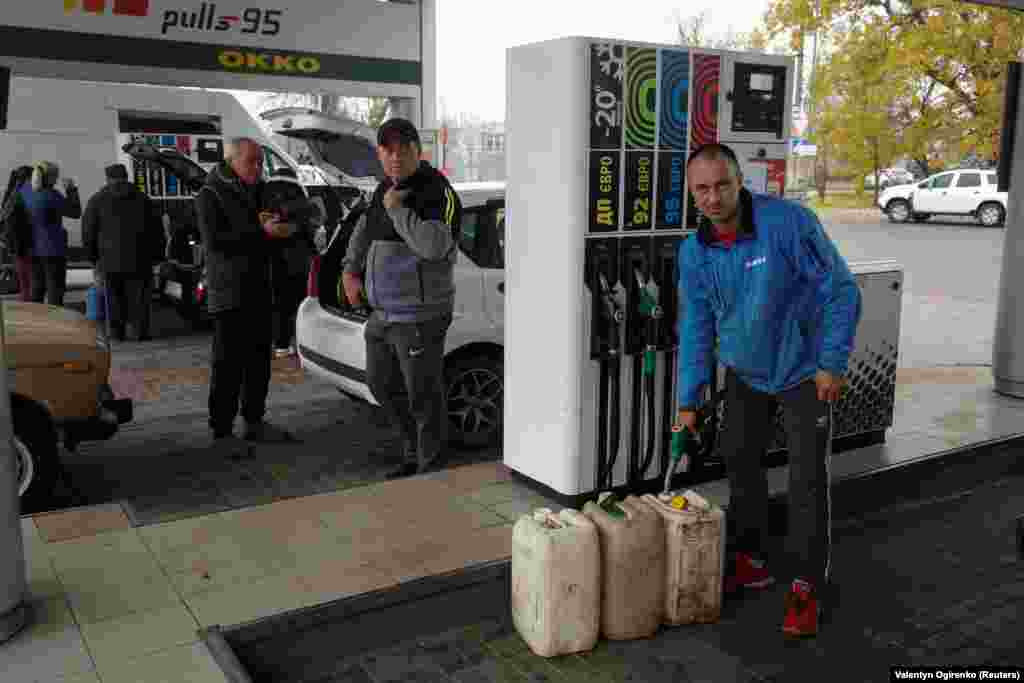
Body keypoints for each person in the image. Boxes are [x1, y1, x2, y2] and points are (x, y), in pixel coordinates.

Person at [675, 143, 862, 638]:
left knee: (805, 479)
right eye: (703, 189)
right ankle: (752, 559)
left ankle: (805, 587)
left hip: (804, 371)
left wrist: (831, 362)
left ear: (740, 183)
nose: (713, 197)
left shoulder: (789, 224)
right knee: (740, 463)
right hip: (745, 373)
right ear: (692, 193)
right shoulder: (696, 251)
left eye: (722, 185)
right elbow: (696, 324)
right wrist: (688, 399)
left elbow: (842, 289)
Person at [341, 118, 462, 479]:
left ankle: (430, 466)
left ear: (417, 151)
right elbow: (363, 232)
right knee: (381, 384)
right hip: (382, 312)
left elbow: (435, 247)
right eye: (388, 149)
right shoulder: (383, 189)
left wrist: (398, 210)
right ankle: (414, 452)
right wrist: (350, 270)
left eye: (403, 149)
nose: (395, 156)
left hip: (420, 314)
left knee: (422, 395)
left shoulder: (436, 191)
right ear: (379, 153)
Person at [195, 137, 299, 450]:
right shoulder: (210, 193)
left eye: (260, 161)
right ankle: (222, 432)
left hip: (260, 289)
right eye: (251, 161)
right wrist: (261, 231)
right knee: (228, 366)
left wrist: (284, 226)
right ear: (232, 161)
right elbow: (215, 242)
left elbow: (272, 222)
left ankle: (254, 422)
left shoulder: (258, 190)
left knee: (258, 364)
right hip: (229, 294)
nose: (258, 167)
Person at [82, 164, 166, 341]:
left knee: (113, 297)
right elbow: (157, 230)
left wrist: (92, 258)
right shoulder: (144, 199)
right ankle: (140, 332)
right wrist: (158, 255)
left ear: (107, 178)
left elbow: (88, 232)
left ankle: (117, 333)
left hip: (109, 260)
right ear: (126, 176)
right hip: (140, 259)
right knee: (139, 297)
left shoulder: (97, 200)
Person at [263, 167, 316, 357]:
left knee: (277, 304)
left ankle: (280, 345)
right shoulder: (301, 201)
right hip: (296, 261)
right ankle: (297, 345)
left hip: (270, 259)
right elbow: (309, 230)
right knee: (298, 304)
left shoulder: (265, 196)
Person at [19, 161, 81, 306]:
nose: (56, 179)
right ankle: (55, 322)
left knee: (37, 287)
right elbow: (75, 212)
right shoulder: (51, 195)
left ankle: (36, 319)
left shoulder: (25, 191)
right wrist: (71, 190)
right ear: (49, 178)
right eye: (55, 176)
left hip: (32, 248)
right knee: (55, 289)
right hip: (52, 249)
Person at [1, 166, 33, 301]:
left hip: (15, 243)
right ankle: (29, 307)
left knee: (23, 280)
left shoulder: (13, 193)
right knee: (29, 280)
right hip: (24, 242)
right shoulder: (25, 193)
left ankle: (25, 303)